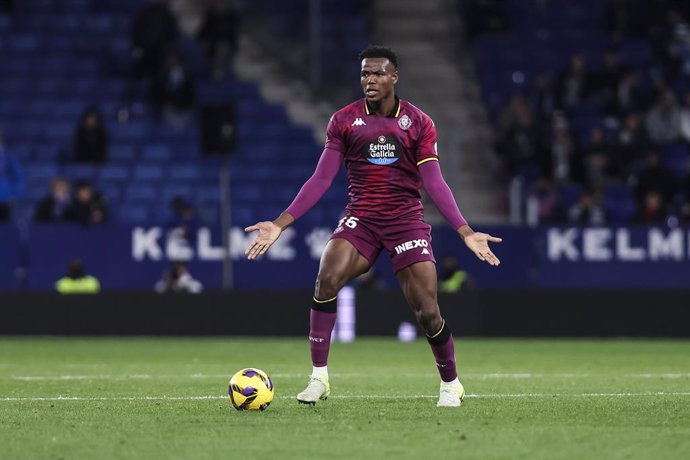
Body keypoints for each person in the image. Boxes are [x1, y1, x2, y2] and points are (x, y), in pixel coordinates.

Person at [244, 46, 502, 408]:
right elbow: (321, 178)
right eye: (365, 73)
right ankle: (318, 377)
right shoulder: (345, 121)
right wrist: (280, 223)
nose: (370, 80)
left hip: (405, 220)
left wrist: (464, 230)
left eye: (378, 74)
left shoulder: (419, 122)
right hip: (361, 219)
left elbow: (435, 182)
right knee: (326, 278)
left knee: (427, 310)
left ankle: (451, 383)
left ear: (394, 77)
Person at [0, 133, 24, 222]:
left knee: (4, 230)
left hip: (4, 200)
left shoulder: (8, 156)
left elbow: (18, 177)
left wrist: (14, 195)